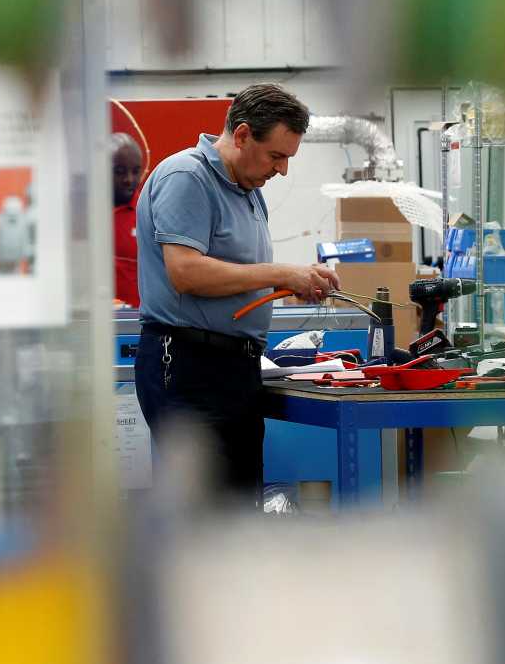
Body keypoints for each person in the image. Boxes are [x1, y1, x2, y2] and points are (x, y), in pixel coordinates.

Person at [133, 83, 339, 503]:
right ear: (242, 135)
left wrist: (294, 281)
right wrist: (281, 271)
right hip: (189, 370)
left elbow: (236, 275)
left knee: (239, 515)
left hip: (233, 373)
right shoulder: (187, 177)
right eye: (276, 155)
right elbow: (186, 273)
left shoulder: (247, 190)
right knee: (205, 519)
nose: (281, 170)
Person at [111, 132, 145, 306]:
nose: (129, 179)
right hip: (90, 323)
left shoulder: (149, 214)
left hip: (134, 325)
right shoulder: (83, 215)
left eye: (135, 171)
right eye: (119, 171)